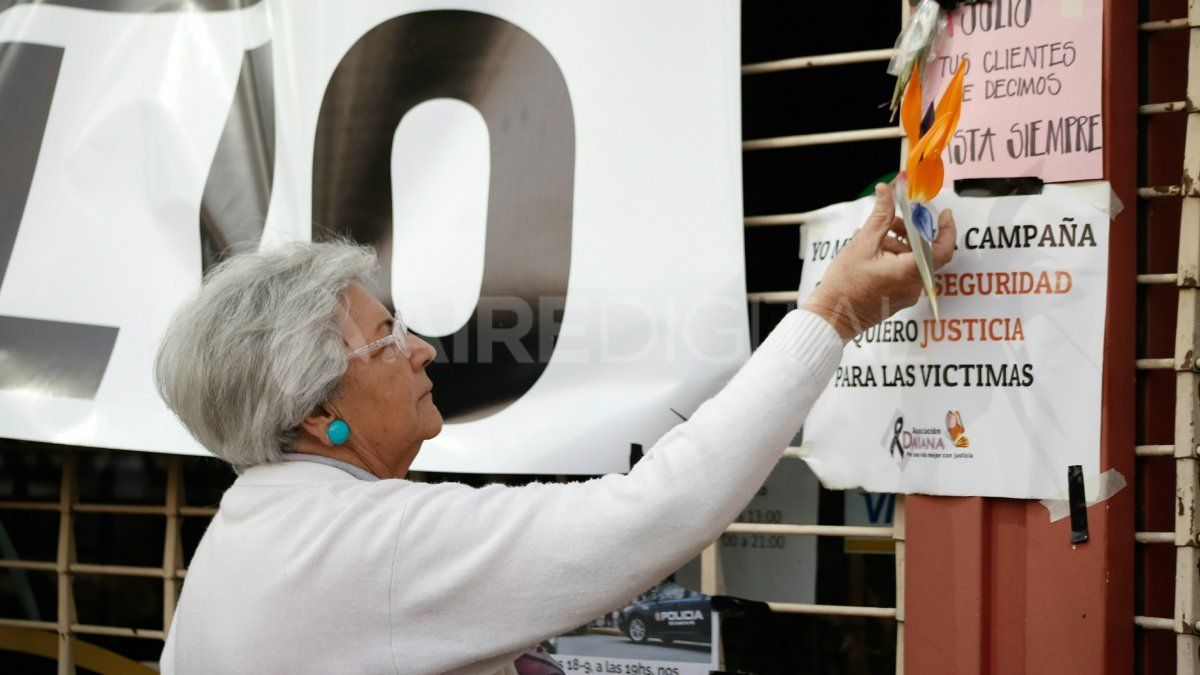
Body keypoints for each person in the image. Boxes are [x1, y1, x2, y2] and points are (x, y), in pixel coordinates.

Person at [153, 184, 954, 673]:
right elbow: (655, 510)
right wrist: (834, 313)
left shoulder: (240, 531)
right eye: (389, 336)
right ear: (316, 409)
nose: (423, 349)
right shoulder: (371, 543)